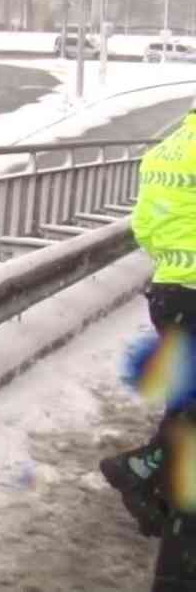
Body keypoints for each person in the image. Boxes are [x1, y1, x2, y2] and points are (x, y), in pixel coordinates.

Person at [102, 106, 196, 583]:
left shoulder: (171, 147)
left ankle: (146, 477)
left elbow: (145, 225)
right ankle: (147, 473)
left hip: (172, 293)